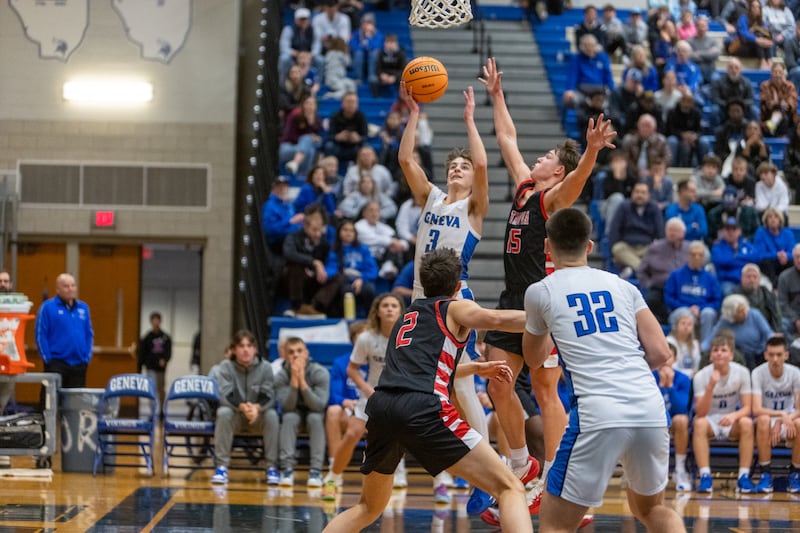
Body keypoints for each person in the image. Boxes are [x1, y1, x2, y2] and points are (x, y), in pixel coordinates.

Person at [479, 56, 615, 516]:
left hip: (541, 303)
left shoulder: (553, 197)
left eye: (548, 158)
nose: (539, 158)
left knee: (544, 389)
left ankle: (558, 477)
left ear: (556, 172)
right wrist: (497, 96)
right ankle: (522, 466)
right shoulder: (523, 189)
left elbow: (576, 183)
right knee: (498, 384)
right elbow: (507, 139)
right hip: (509, 300)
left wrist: (591, 151)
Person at [322, 248, 535, 533]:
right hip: (423, 407)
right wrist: (549, 315)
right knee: (510, 487)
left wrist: (475, 368)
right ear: (458, 287)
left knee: (368, 507)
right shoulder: (454, 307)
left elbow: (420, 371)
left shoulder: (406, 317)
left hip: (384, 407)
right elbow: (496, 320)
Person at [522, 208, 685, 533]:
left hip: (597, 412)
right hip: (648, 407)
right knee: (653, 511)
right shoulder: (623, 286)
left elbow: (534, 358)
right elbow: (661, 352)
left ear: (546, 247)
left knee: (555, 524)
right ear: (591, 246)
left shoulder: (541, 291)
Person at [322, 293, 405, 500]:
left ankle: (435, 480)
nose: (389, 309)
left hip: (399, 396)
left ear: (401, 311)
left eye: (394, 305)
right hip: (371, 396)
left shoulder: (409, 338)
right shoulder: (366, 338)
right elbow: (352, 369)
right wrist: (367, 390)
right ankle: (333, 477)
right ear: (377, 310)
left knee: (404, 438)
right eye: (385, 305)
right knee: (352, 433)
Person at [211, 330, 280, 485]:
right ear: (234, 349)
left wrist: (256, 408)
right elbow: (225, 394)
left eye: (249, 346)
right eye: (241, 346)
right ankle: (221, 467)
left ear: (255, 349)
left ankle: (271, 468)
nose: (245, 350)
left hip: (258, 415)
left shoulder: (266, 368)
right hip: (236, 415)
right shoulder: (225, 367)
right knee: (223, 412)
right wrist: (243, 408)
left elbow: (269, 395)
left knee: (272, 416)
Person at [692, 333, 755, 493]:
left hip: (732, 418)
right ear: (711, 355)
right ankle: (705, 476)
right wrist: (710, 387)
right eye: (715, 350)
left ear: (731, 355)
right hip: (710, 420)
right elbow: (700, 412)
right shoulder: (701, 376)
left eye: (723, 350)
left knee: (747, 422)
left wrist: (734, 416)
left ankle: (743, 477)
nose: (719, 353)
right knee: (698, 423)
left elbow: (748, 408)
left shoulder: (742, 372)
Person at [275, 336, 330, 487]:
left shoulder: (320, 372)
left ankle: (316, 471)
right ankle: (286, 469)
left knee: (315, 418)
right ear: (285, 355)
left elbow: (319, 405)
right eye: (291, 352)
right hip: (294, 412)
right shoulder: (280, 376)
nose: (296, 355)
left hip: (314, 412)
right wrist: (294, 380)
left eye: (299, 351)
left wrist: (303, 382)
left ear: (306, 353)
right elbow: (287, 406)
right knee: (289, 418)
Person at [751, 335, 800, 493]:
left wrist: (783, 420)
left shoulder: (795, 373)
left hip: (789, 420)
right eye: (771, 355)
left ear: (786, 355)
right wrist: (780, 416)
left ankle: (795, 474)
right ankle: (765, 474)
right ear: (765, 355)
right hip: (767, 421)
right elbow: (756, 409)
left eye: (779, 355)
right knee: (763, 420)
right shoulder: (758, 373)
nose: (775, 359)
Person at [324, 320, 367, 479]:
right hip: (350, 413)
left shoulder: (378, 361)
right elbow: (334, 395)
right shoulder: (341, 363)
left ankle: (393, 472)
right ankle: (334, 468)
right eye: (359, 336)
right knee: (333, 411)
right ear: (353, 340)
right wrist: (345, 402)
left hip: (373, 413)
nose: (363, 339)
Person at [35, 273, 93, 388]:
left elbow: (89, 334)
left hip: (79, 363)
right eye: (66, 286)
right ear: (57, 289)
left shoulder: (83, 308)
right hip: (56, 363)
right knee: (51, 400)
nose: (70, 289)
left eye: (73, 285)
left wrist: (86, 357)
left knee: (75, 403)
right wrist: (48, 359)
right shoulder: (47, 308)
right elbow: (40, 334)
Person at [664, 240, 722, 343]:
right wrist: (688, 307)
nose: (697, 257)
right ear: (688, 255)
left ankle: (704, 348)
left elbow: (717, 301)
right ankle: (683, 345)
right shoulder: (676, 275)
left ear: (704, 257)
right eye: (693, 254)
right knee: (685, 314)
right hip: (680, 309)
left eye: (700, 255)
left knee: (708, 313)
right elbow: (669, 298)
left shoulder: (710, 278)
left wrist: (700, 308)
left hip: (703, 310)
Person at [636, 217, 691, 324]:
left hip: (683, 287)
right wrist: (648, 283)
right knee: (651, 299)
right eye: (669, 230)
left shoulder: (690, 249)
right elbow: (641, 270)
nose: (672, 233)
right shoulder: (655, 247)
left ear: (683, 233)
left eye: (675, 230)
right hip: (660, 286)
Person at [656, 345, 693, 492]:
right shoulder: (648, 376)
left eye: (669, 356)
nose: (665, 360)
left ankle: (680, 469)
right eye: (662, 356)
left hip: (673, 422)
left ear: (676, 359)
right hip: (654, 421)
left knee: (682, 420)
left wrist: (670, 386)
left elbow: (681, 408)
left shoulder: (683, 379)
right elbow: (648, 405)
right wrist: (659, 386)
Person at [608, 181, 665, 277]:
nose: (639, 195)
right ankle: (643, 270)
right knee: (617, 249)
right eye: (637, 192)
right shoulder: (623, 207)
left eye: (643, 193)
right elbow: (614, 230)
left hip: (647, 247)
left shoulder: (654, 208)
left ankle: (632, 269)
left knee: (658, 250)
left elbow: (660, 232)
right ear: (632, 193)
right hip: (627, 247)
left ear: (648, 195)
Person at [704, 294, 775, 370]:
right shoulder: (725, 321)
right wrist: (703, 349)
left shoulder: (754, 314)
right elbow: (711, 337)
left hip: (759, 352)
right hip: (739, 353)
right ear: (731, 314)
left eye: (744, 309)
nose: (744, 312)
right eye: (740, 311)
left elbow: (768, 333)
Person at [734, 263, 783, 333]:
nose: (752, 280)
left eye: (755, 277)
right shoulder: (734, 294)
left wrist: (776, 332)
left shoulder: (766, 293)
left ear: (759, 279)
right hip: (743, 331)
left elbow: (776, 314)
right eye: (748, 277)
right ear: (742, 278)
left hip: (767, 329)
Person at [138, 311, 172, 410]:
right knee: (152, 389)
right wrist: (141, 366)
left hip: (161, 369)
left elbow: (168, 352)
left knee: (161, 389)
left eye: (157, 320)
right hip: (150, 367)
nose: (156, 322)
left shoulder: (165, 337)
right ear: (151, 322)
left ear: (160, 321)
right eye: (154, 320)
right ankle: (153, 411)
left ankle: (161, 409)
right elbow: (142, 353)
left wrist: (165, 360)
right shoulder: (147, 337)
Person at [755, 207, 796, 286]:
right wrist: (777, 255)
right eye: (770, 217)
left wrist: (786, 255)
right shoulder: (761, 232)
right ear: (766, 220)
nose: (773, 219)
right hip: (769, 265)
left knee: (792, 261)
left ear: (780, 219)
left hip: (784, 263)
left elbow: (793, 252)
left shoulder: (788, 233)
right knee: (765, 262)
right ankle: (774, 287)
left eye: (776, 217)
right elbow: (759, 254)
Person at [667, 308, 702, 378]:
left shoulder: (695, 344)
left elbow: (696, 366)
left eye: (689, 324)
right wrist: (689, 372)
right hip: (673, 376)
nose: (686, 327)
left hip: (692, 378)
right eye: (683, 323)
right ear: (676, 325)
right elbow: (670, 365)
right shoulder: (669, 341)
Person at [779, 244, 800, 340]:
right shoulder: (784, 277)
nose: (799, 260)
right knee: (781, 325)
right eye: (797, 257)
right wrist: (796, 319)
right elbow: (782, 304)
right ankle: (793, 349)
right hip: (791, 317)